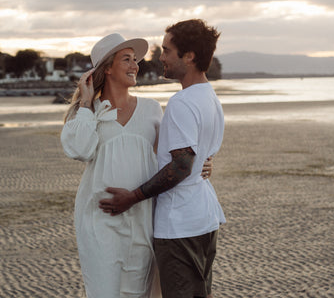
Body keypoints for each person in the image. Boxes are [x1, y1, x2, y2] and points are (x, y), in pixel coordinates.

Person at [60, 33, 213, 298]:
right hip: (100, 219)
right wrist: (86, 104)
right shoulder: (87, 112)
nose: (135, 66)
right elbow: (80, 150)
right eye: (127, 59)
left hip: (143, 218)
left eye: (135, 60)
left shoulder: (152, 109)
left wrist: (203, 164)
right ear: (107, 68)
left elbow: (176, 155)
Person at [99, 19, 225, 298]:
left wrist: (132, 197)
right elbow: (199, 155)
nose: (161, 57)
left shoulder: (182, 102)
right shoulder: (210, 97)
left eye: (167, 50)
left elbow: (181, 166)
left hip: (180, 224)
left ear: (189, 56)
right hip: (205, 218)